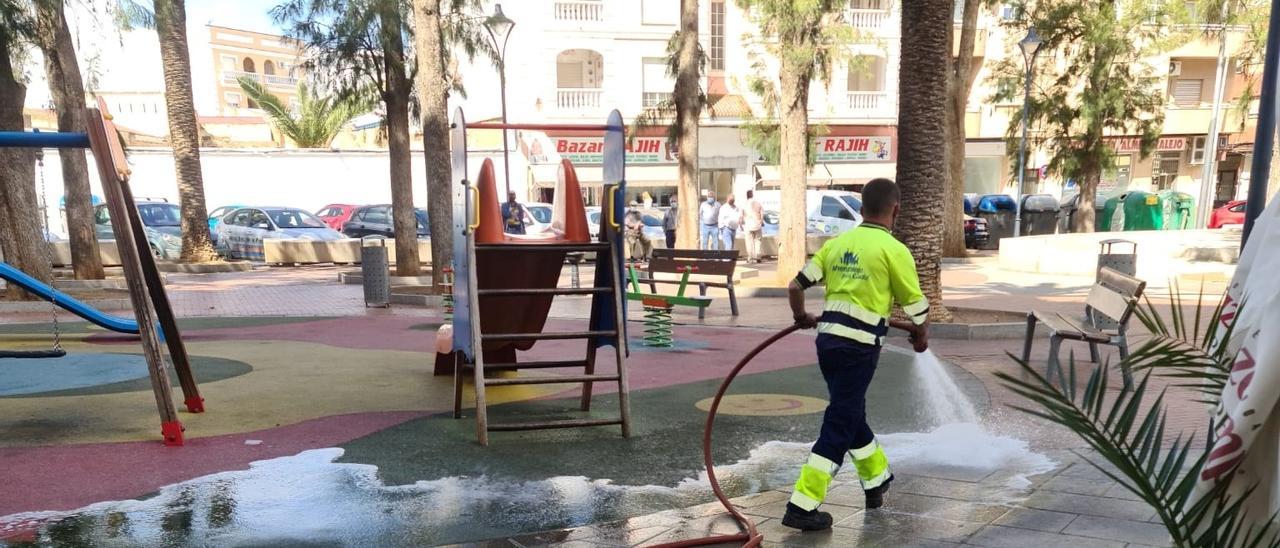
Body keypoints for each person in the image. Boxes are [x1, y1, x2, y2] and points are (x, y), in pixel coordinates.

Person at [781, 178, 930, 531]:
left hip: (828, 344)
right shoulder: (893, 250)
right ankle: (802, 505)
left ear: (861, 210)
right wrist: (922, 334)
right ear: (896, 209)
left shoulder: (838, 244)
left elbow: (794, 285)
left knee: (851, 412)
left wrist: (802, 317)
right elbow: (916, 306)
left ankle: (876, 478)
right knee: (839, 423)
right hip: (859, 350)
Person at [743, 189, 765, 263]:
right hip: (757, 224)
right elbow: (762, 213)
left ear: (747, 196)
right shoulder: (757, 203)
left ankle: (750, 257)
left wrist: (741, 223)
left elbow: (742, 215)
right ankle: (758, 257)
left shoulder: (744, 204)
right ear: (752, 195)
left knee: (749, 241)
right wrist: (761, 221)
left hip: (748, 225)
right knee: (758, 240)